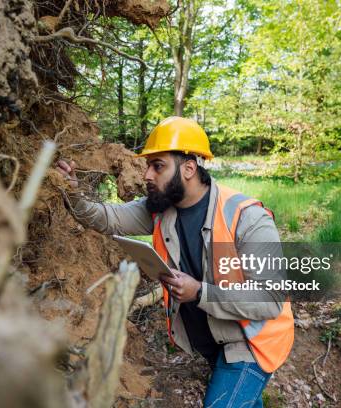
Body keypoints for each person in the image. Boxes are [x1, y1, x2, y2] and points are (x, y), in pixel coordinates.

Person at [56, 116, 293, 407]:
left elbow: (269, 299)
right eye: (148, 166)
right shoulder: (160, 209)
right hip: (211, 339)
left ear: (189, 168)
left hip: (251, 343)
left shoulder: (247, 217)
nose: (146, 175)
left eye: (158, 166)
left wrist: (199, 292)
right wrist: (71, 191)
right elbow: (106, 218)